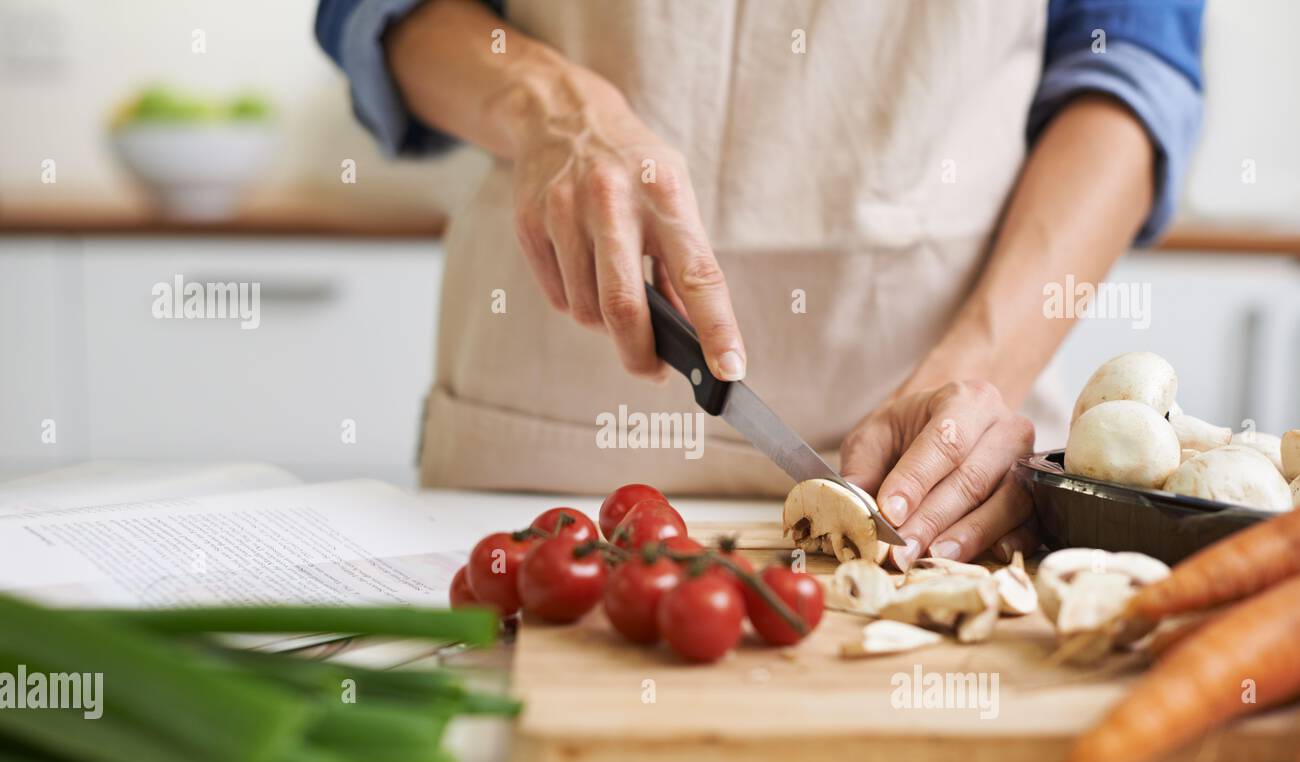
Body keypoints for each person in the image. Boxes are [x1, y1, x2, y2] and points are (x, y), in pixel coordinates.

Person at [316, 0, 1203, 569]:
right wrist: (545, 104)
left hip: (946, 461)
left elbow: (1132, 62)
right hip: (541, 447)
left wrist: (982, 367)